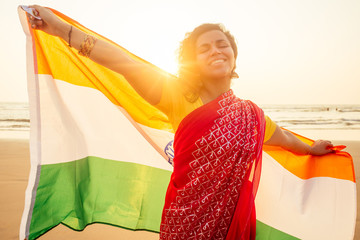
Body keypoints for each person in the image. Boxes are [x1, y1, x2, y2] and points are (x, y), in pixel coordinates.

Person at [27, 5, 334, 240]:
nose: (215, 50)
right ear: (194, 62)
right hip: (185, 219)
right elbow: (122, 61)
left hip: (234, 225)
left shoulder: (252, 115)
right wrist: (59, 28)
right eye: (204, 48)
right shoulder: (176, 94)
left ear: (234, 57)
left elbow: (281, 137)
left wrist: (311, 148)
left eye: (222, 44)